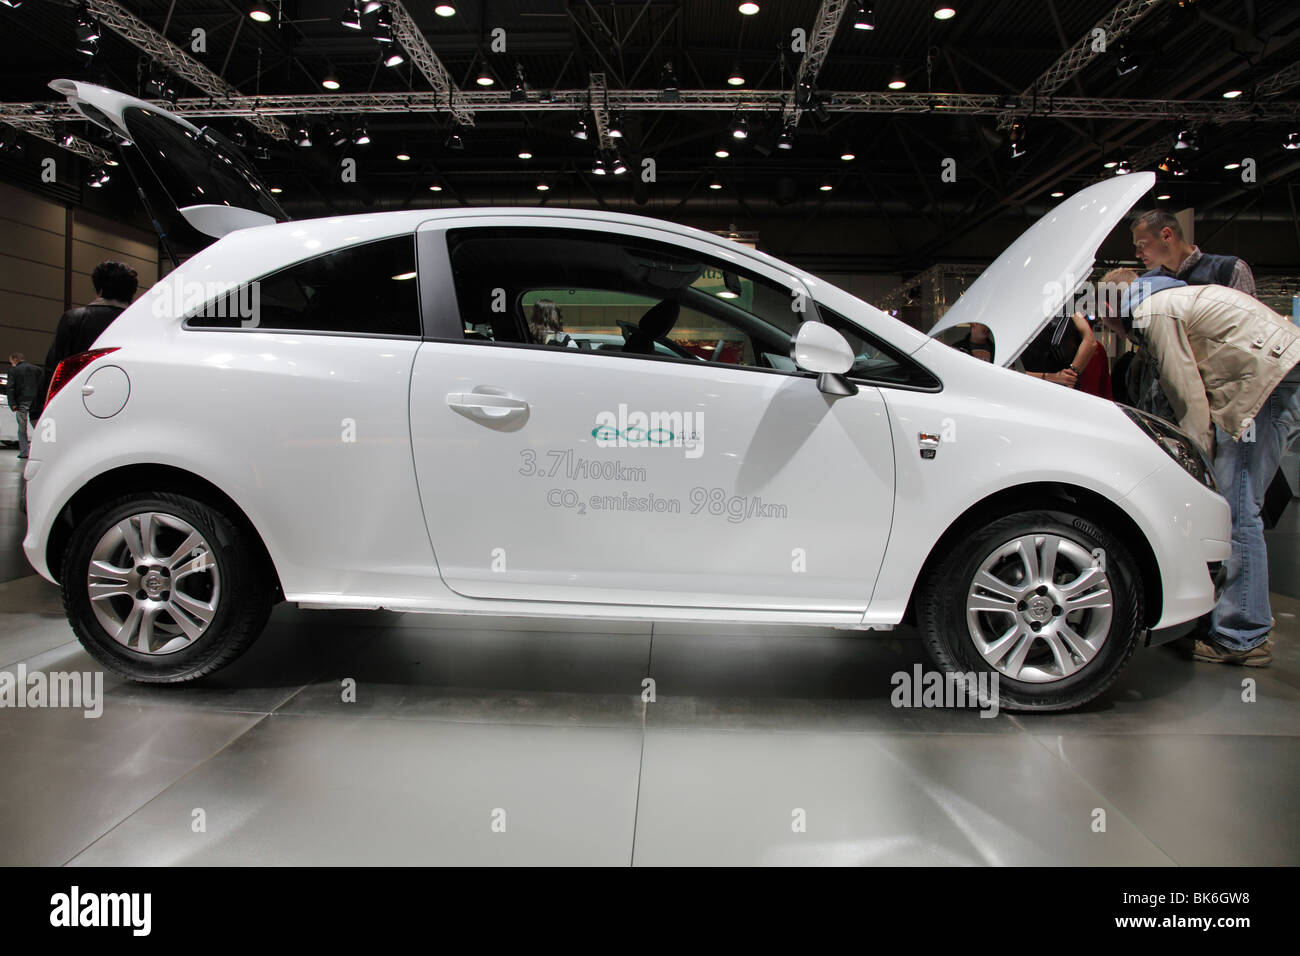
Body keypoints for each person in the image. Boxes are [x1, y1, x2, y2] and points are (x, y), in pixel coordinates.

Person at [1100, 267, 1300, 668]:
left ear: (1110, 305)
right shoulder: (1168, 299)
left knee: (1236, 510)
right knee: (1235, 506)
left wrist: (1195, 471)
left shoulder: (1152, 312)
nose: (1106, 325)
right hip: (1277, 377)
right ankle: (1232, 622)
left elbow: (1188, 398)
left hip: (1272, 383)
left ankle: (1243, 635)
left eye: (1102, 315)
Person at [1126, 210, 1256, 421]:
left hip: (1221, 397)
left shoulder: (1228, 270)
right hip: (1164, 401)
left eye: (1141, 245)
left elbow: (1247, 333)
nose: (1137, 255)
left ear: (1166, 235)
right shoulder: (1146, 284)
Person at [33, 260, 138, 417]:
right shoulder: (136, 323)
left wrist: (38, 410)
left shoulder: (74, 319)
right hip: (125, 404)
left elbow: (53, 366)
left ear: (99, 289)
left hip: (77, 403)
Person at [5, 352, 42, 459]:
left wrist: (12, 404)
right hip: (36, 402)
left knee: (22, 427)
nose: (11, 364)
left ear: (15, 359)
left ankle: (24, 452)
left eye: (11, 362)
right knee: (39, 426)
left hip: (22, 402)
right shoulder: (37, 369)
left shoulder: (14, 370)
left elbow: (10, 388)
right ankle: (40, 449)